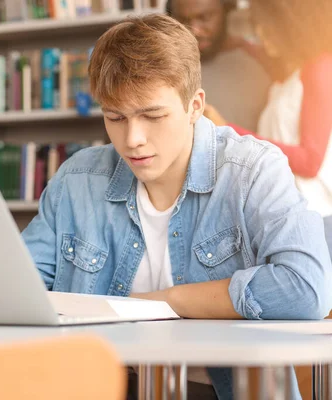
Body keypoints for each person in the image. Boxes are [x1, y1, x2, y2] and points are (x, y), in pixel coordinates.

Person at [21, 14, 332, 400]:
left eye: (152, 116)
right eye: (115, 117)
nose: (132, 139)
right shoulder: (77, 180)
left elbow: (307, 288)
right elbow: (17, 291)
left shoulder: (253, 170)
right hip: (105, 384)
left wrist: (168, 301)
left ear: (194, 105)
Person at [204, 0, 332, 220]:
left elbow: (310, 161)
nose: (260, 32)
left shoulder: (320, 68)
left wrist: (228, 128)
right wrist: (241, 45)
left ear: (292, 25)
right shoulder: (293, 71)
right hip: (288, 212)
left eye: (268, 25)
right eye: (257, 23)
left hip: (316, 216)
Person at [168, 0, 271, 131]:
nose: (195, 31)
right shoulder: (165, 68)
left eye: (204, 18)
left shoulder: (262, 60)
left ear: (226, 11)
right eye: (183, 19)